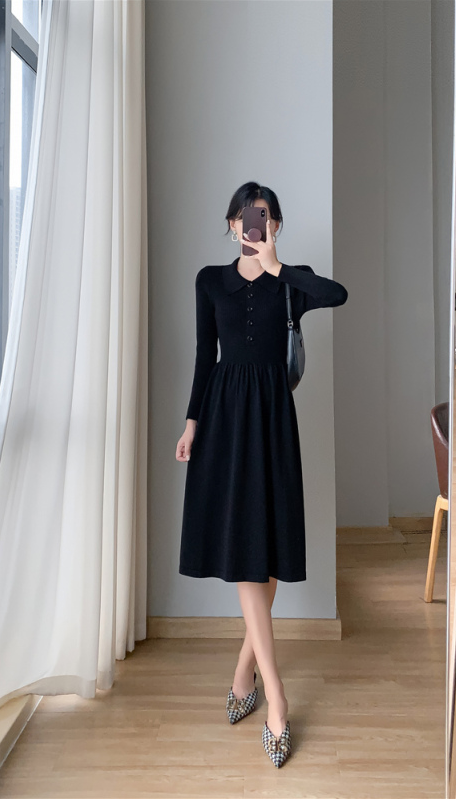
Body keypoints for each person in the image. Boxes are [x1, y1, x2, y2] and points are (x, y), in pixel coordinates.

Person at [175, 181, 348, 767]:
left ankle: (243, 672)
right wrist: (192, 425)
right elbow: (205, 358)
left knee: (267, 550)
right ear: (232, 223)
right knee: (249, 548)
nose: (255, 223)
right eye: (248, 216)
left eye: (266, 216)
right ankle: (276, 697)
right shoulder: (209, 281)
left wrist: (276, 266)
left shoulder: (291, 282)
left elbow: (338, 294)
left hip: (273, 418)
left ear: (275, 225)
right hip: (226, 418)